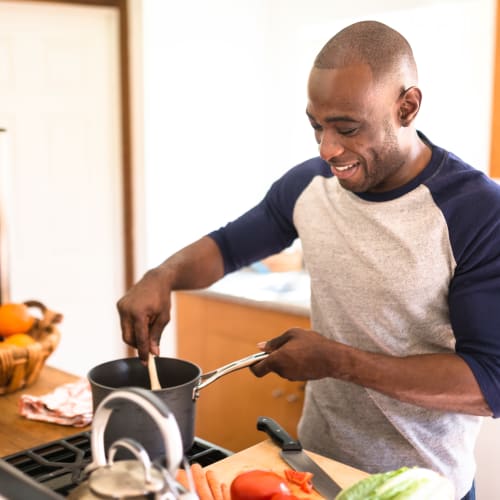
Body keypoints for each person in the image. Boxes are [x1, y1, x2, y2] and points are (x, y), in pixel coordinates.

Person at [117, 20, 500, 500]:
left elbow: (490, 384)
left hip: (420, 487)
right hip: (313, 473)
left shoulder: (478, 211)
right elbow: (229, 246)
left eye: (347, 128)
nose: (327, 148)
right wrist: (162, 275)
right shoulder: (309, 185)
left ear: (407, 106)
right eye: (316, 125)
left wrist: (338, 361)